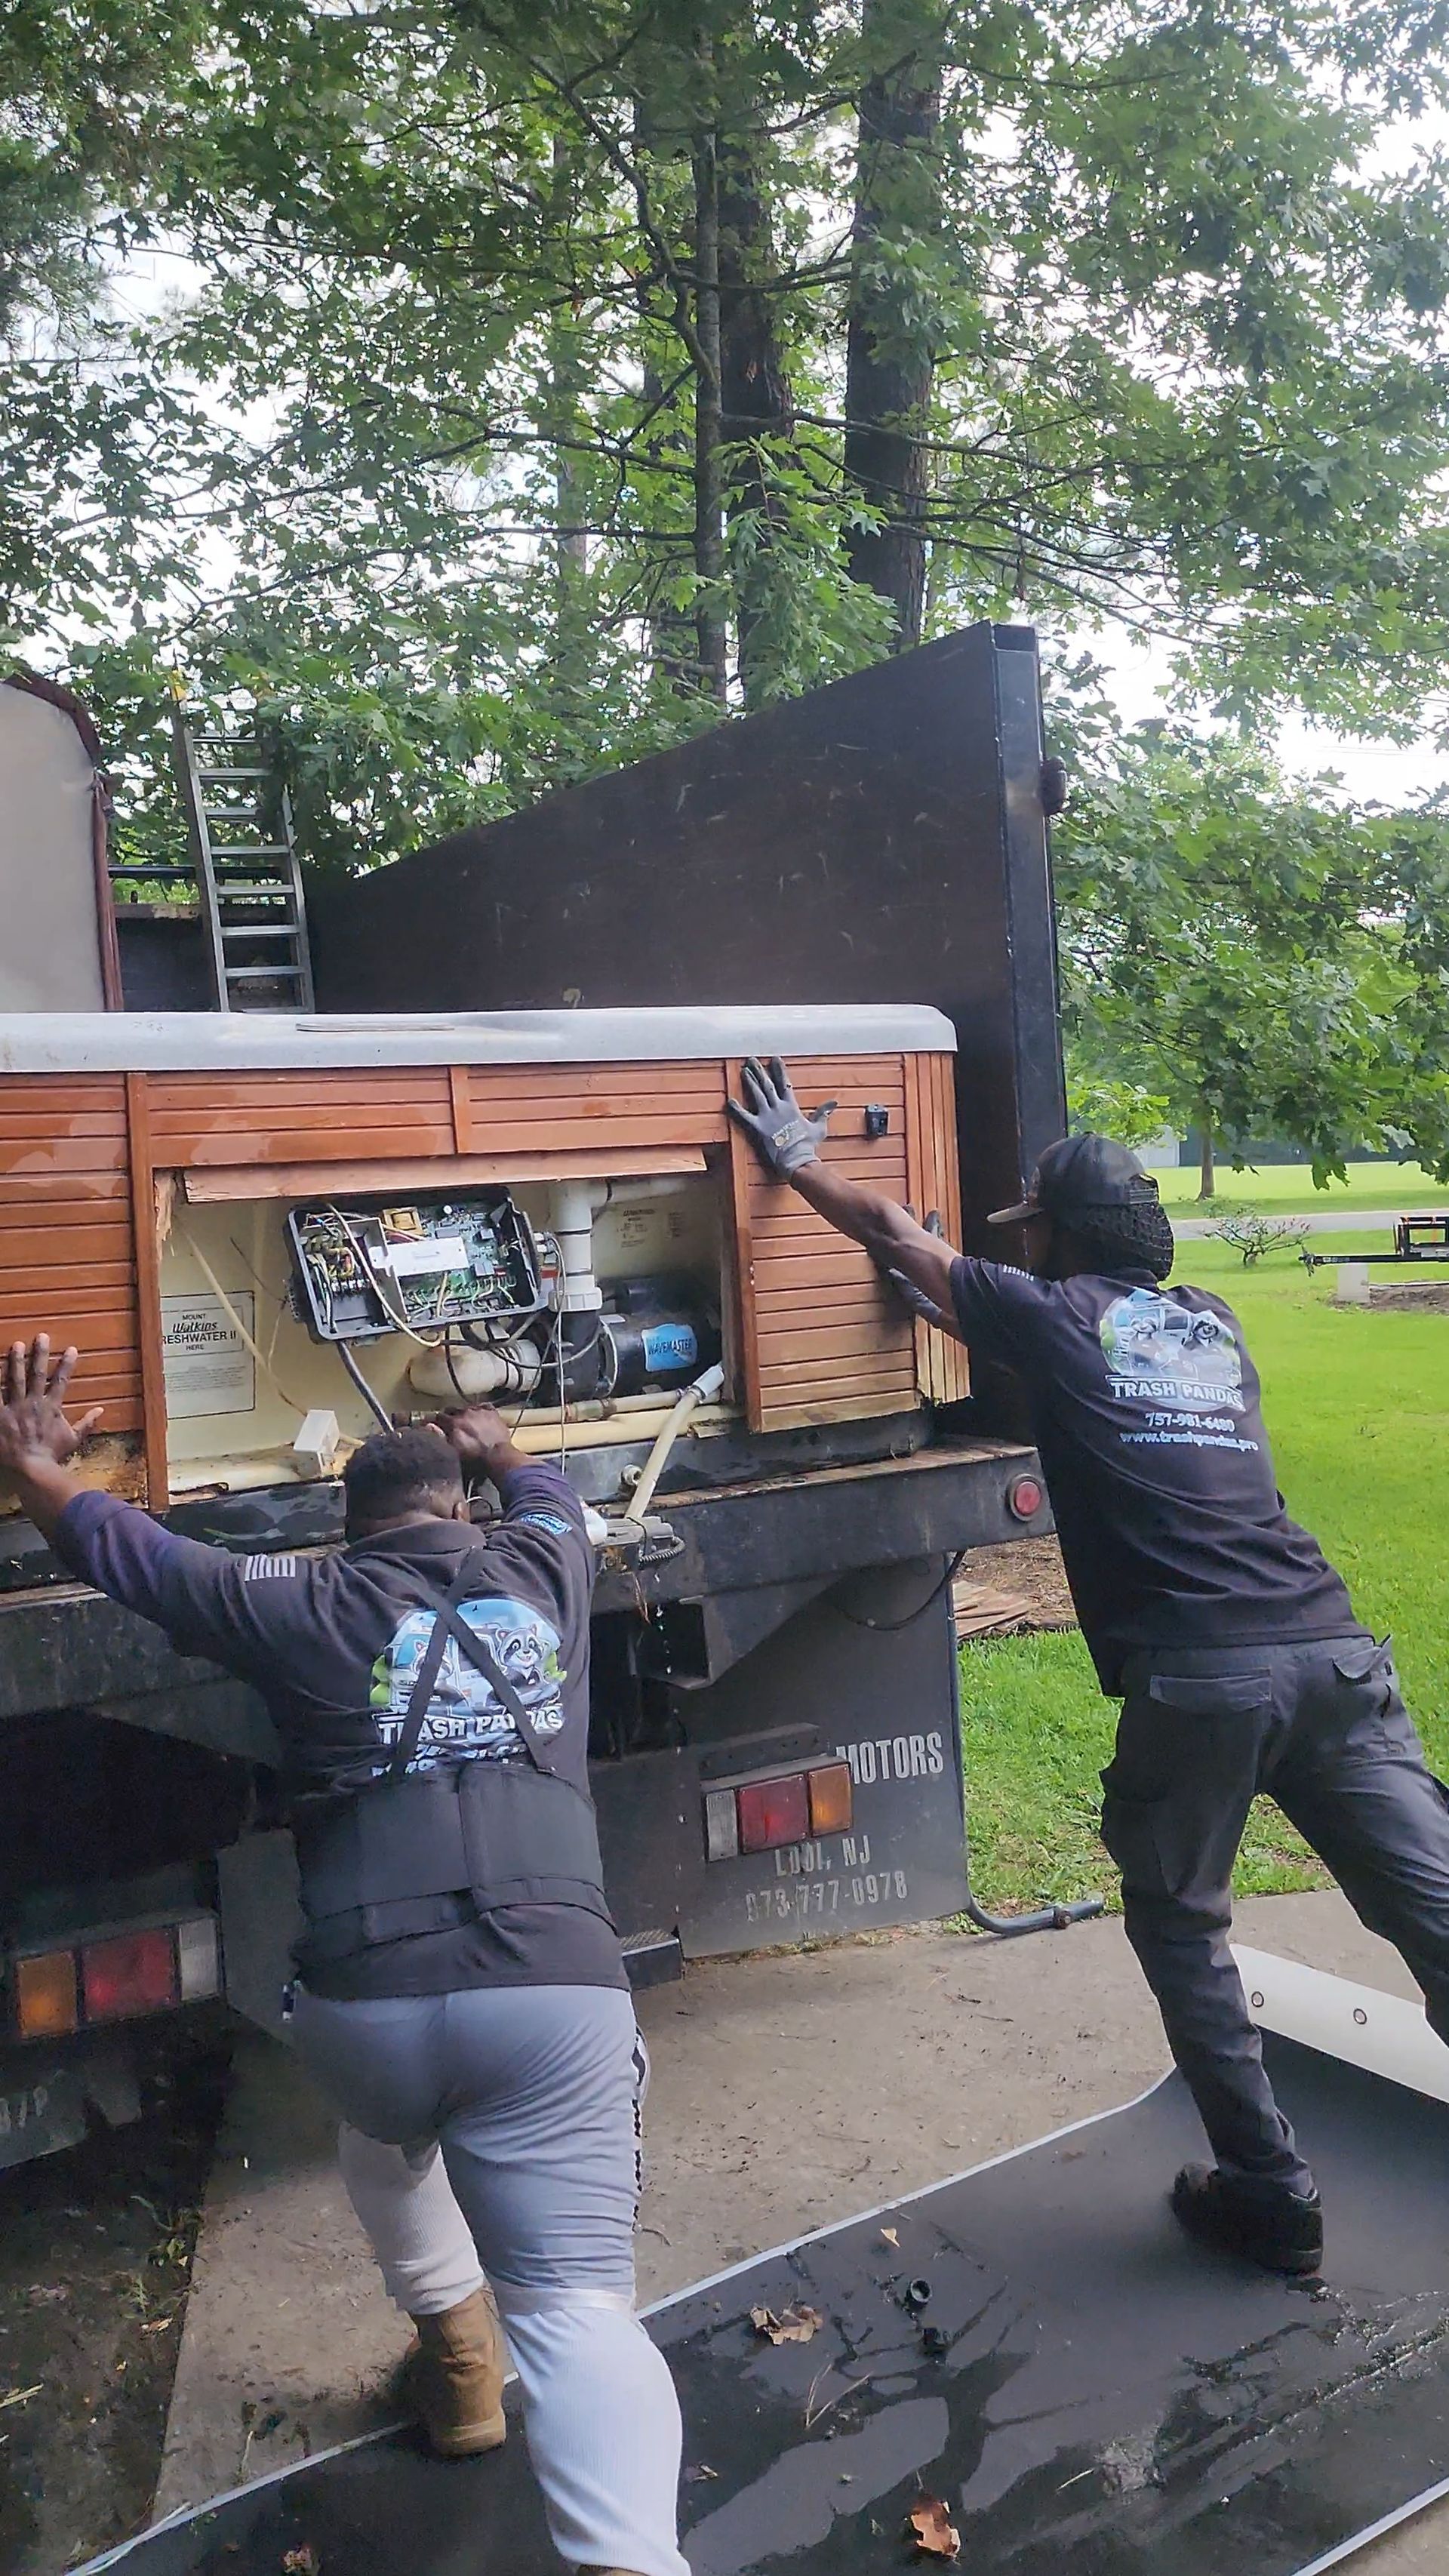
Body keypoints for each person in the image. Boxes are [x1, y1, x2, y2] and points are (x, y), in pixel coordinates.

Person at [728, 1058, 1449, 2278]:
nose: (1026, 1242)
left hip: (1204, 1675)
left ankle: (1270, 2195)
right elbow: (1012, 1327)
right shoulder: (1210, 1325)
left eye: (1033, 1226)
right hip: (1332, 1654)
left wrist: (797, 1159)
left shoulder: (1056, 1316)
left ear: (1059, 1239)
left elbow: (903, 1238)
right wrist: (949, 1301)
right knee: (1435, 1910)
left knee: (1179, 1920)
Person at [0, 1336, 688, 2576]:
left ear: (346, 1530)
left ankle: (460, 2361)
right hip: (552, 1999)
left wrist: (45, 1473)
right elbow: (550, 1496)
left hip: (367, 2014)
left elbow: (131, 1555)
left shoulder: (295, 1603)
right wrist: (502, 1443)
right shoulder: (546, 1567)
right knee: (580, 2315)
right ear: (462, 1511)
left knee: (387, 2136)